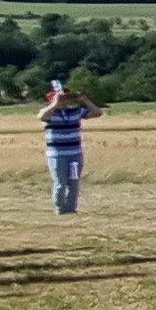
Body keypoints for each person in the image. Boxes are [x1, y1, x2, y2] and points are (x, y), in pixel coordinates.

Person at [40, 84, 100, 214]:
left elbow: (97, 113)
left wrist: (84, 100)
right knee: (60, 183)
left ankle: (71, 208)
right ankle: (60, 208)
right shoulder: (50, 114)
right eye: (62, 98)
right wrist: (55, 103)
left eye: (65, 98)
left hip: (74, 156)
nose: (64, 101)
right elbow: (41, 116)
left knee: (73, 182)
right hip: (57, 155)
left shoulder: (75, 112)